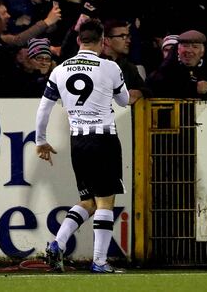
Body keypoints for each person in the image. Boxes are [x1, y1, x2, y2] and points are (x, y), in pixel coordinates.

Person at [35, 19, 130, 274]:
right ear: (103, 42)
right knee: (105, 201)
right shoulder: (109, 67)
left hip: (77, 141)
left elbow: (44, 108)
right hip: (104, 139)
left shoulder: (60, 69)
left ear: (79, 41)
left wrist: (40, 140)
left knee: (87, 201)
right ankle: (99, 261)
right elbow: (125, 101)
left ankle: (58, 243)